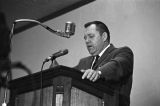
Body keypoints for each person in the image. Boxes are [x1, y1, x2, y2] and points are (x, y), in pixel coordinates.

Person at [75, 21, 134, 106]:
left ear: (104, 37)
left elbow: (116, 66)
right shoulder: (83, 62)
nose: (87, 41)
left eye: (91, 36)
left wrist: (98, 73)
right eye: (85, 38)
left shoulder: (123, 52)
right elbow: (69, 74)